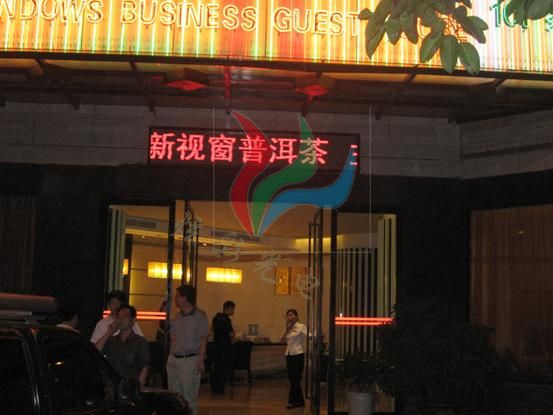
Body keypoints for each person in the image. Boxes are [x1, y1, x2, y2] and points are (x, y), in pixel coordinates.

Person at [166, 285, 209, 415]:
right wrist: (170, 357)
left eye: (178, 296)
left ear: (185, 298)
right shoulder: (178, 316)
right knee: (175, 396)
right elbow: (173, 337)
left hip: (189, 359)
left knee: (189, 397)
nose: (175, 299)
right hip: (175, 359)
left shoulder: (199, 316)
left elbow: (203, 339)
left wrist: (201, 360)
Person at [95, 304, 150, 388]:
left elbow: (144, 368)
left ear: (133, 320)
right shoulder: (111, 341)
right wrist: (108, 333)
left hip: (129, 387)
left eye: (125, 316)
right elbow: (95, 352)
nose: (121, 319)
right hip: (110, 386)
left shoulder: (140, 342)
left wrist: (138, 389)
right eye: (118, 317)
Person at [281, 309, 307, 409]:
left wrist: (318, 335)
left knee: (296, 379)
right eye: (288, 315)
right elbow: (282, 340)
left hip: (298, 354)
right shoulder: (287, 327)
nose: (289, 317)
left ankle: (291, 401)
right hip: (289, 354)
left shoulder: (301, 326)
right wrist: (286, 330)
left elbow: (309, 335)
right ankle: (300, 401)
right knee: (292, 379)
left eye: (291, 315)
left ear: (296, 317)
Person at [210, 300, 235, 394]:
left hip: (216, 346)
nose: (233, 311)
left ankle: (214, 387)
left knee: (216, 367)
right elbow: (231, 334)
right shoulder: (226, 320)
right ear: (228, 309)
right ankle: (220, 388)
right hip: (225, 347)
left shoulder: (216, 318)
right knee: (223, 368)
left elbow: (212, 329)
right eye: (232, 309)